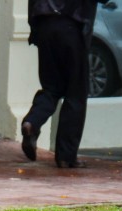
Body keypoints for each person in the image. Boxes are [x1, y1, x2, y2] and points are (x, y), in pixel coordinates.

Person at [20, 0, 111, 169]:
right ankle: (66, 156)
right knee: (75, 92)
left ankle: (32, 122)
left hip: (44, 24)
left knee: (51, 87)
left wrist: (35, 27)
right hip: (71, 26)